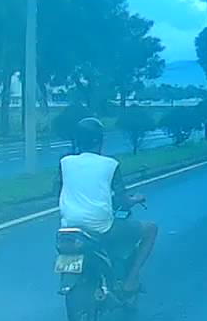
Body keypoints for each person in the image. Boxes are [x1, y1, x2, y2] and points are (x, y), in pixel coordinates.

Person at [55, 117, 157, 293]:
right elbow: (123, 201)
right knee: (151, 229)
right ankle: (131, 281)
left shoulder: (65, 162)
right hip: (101, 227)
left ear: (77, 140)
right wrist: (136, 199)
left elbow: (57, 189)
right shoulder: (110, 165)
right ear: (100, 141)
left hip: (69, 226)